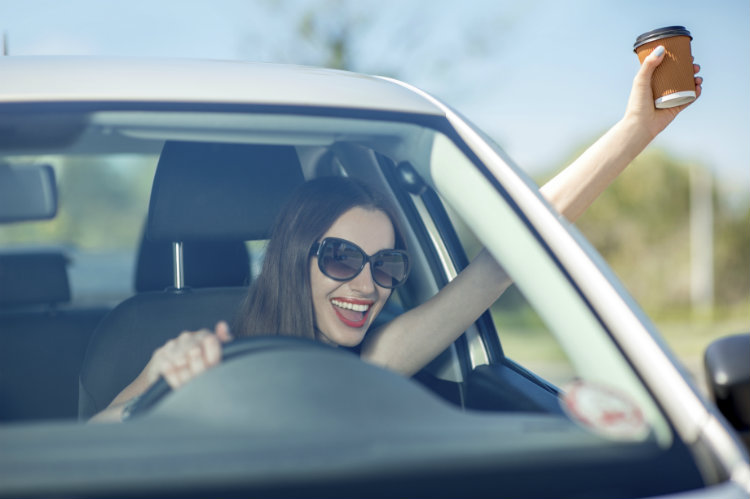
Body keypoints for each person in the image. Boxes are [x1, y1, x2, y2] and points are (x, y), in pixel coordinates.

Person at [92, 46, 702, 422]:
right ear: (292, 257)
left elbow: (509, 252)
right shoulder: (200, 361)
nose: (368, 285)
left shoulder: (377, 361)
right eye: (340, 258)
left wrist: (635, 132)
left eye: (386, 266)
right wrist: (154, 380)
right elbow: (92, 451)